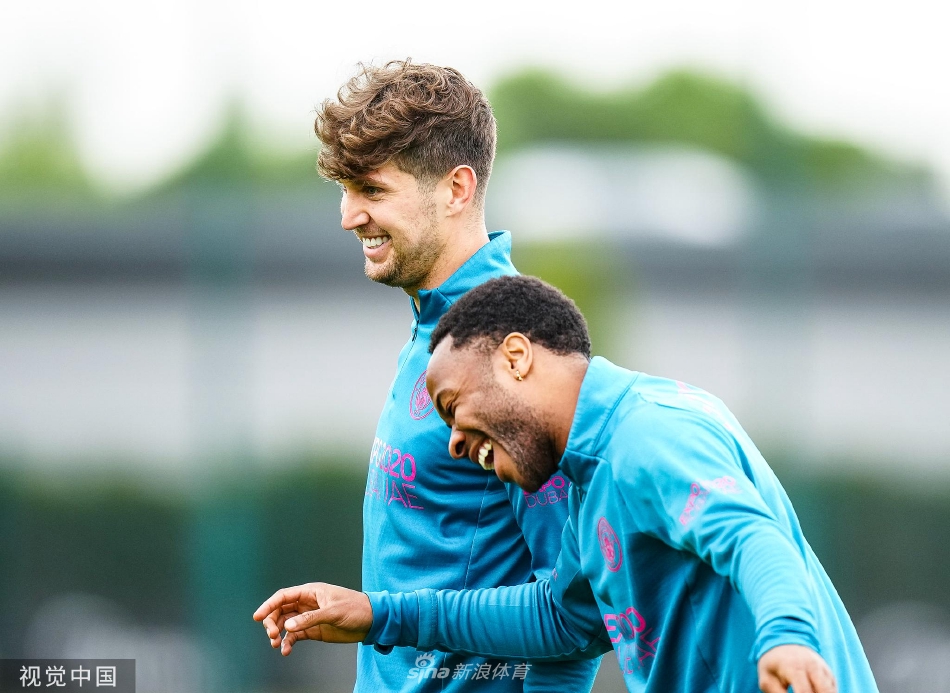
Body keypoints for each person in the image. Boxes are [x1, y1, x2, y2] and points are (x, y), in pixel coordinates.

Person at [254, 275, 880, 693]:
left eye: (453, 408)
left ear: (516, 358)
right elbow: (560, 618)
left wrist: (788, 639)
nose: (454, 443)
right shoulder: (589, 476)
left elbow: (753, 538)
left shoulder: (646, 435)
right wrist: (379, 614)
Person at [255, 63, 599, 692]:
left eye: (371, 189)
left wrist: (381, 615)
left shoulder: (509, 352)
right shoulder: (435, 330)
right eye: (344, 190)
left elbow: (574, 617)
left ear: (456, 189)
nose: (348, 216)